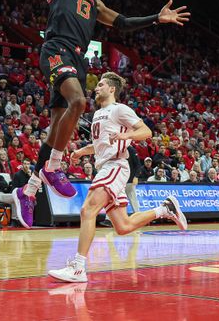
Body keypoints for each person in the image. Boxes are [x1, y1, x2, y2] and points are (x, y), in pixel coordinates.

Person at [13, 0, 191, 228]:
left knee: (57, 130)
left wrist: (156, 17)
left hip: (78, 60)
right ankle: (53, 168)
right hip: (56, 50)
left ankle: (29, 190)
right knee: (79, 102)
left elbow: (122, 23)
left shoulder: (93, 3)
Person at [47, 72, 187, 282]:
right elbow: (99, 145)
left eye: (101, 85)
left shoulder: (119, 109)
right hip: (106, 166)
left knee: (88, 210)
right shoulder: (98, 114)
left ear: (112, 89)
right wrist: (80, 152)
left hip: (115, 166)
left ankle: (78, 267)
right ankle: (164, 209)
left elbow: (146, 131)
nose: (96, 88)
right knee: (123, 227)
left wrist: (127, 135)